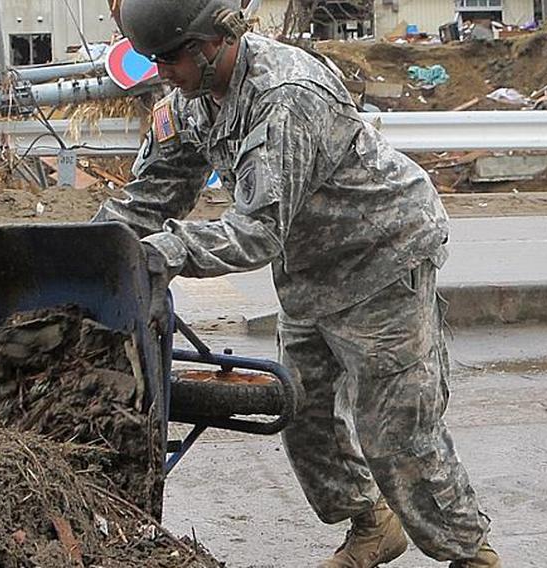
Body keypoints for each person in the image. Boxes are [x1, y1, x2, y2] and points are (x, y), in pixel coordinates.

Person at [94, 1, 501, 566]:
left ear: (212, 44)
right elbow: (154, 192)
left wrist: (168, 251)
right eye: (153, 61)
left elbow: (257, 230)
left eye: (169, 60)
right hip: (309, 269)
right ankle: (372, 526)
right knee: (302, 416)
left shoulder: (287, 97)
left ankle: (470, 552)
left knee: (395, 435)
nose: (162, 73)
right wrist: (91, 249)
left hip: (380, 261)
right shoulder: (191, 102)